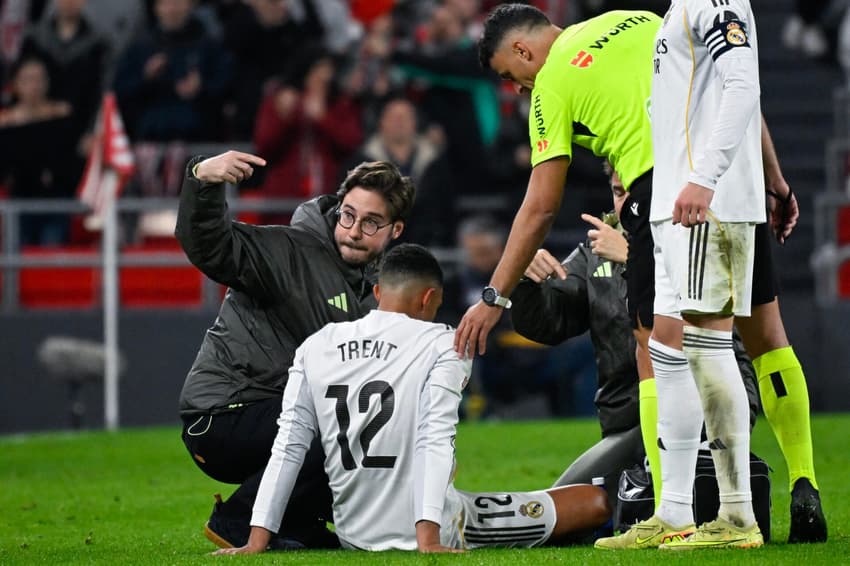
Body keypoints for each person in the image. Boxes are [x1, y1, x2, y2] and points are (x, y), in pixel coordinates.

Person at [215, 243, 611, 555]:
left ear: (377, 292)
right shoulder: (444, 343)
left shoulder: (317, 345)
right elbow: (433, 439)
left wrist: (256, 539)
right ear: (429, 298)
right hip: (432, 525)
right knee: (594, 502)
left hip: (353, 532)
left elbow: (287, 447)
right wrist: (428, 538)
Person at [175, 150, 415, 549]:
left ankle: (296, 524)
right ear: (338, 208)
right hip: (224, 415)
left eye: (371, 222)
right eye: (348, 215)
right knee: (341, 422)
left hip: (280, 415)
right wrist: (203, 180)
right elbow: (212, 247)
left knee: (370, 426)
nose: (354, 231)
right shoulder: (288, 251)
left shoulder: (376, 286)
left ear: (396, 229)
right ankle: (238, 520)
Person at [601, 0, 766, 550]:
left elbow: (743, 84)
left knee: (707, 346)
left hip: (707, 204)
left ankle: (737, 516)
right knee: (668, 353)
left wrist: (706, 176)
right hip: (674, 206)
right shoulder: (679, 9)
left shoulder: (713, 2)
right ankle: (673, 511)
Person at [511, 168, 760, 510]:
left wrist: (635, 258)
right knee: (572, 508)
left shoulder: (696, 238)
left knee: (617, 506)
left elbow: (705, 340)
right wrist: (525, 280)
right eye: (618, 192)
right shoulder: (595, 253)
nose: (628, 203)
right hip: (626, 422)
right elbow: (549, 324)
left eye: (638, 191)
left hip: (701, 413)